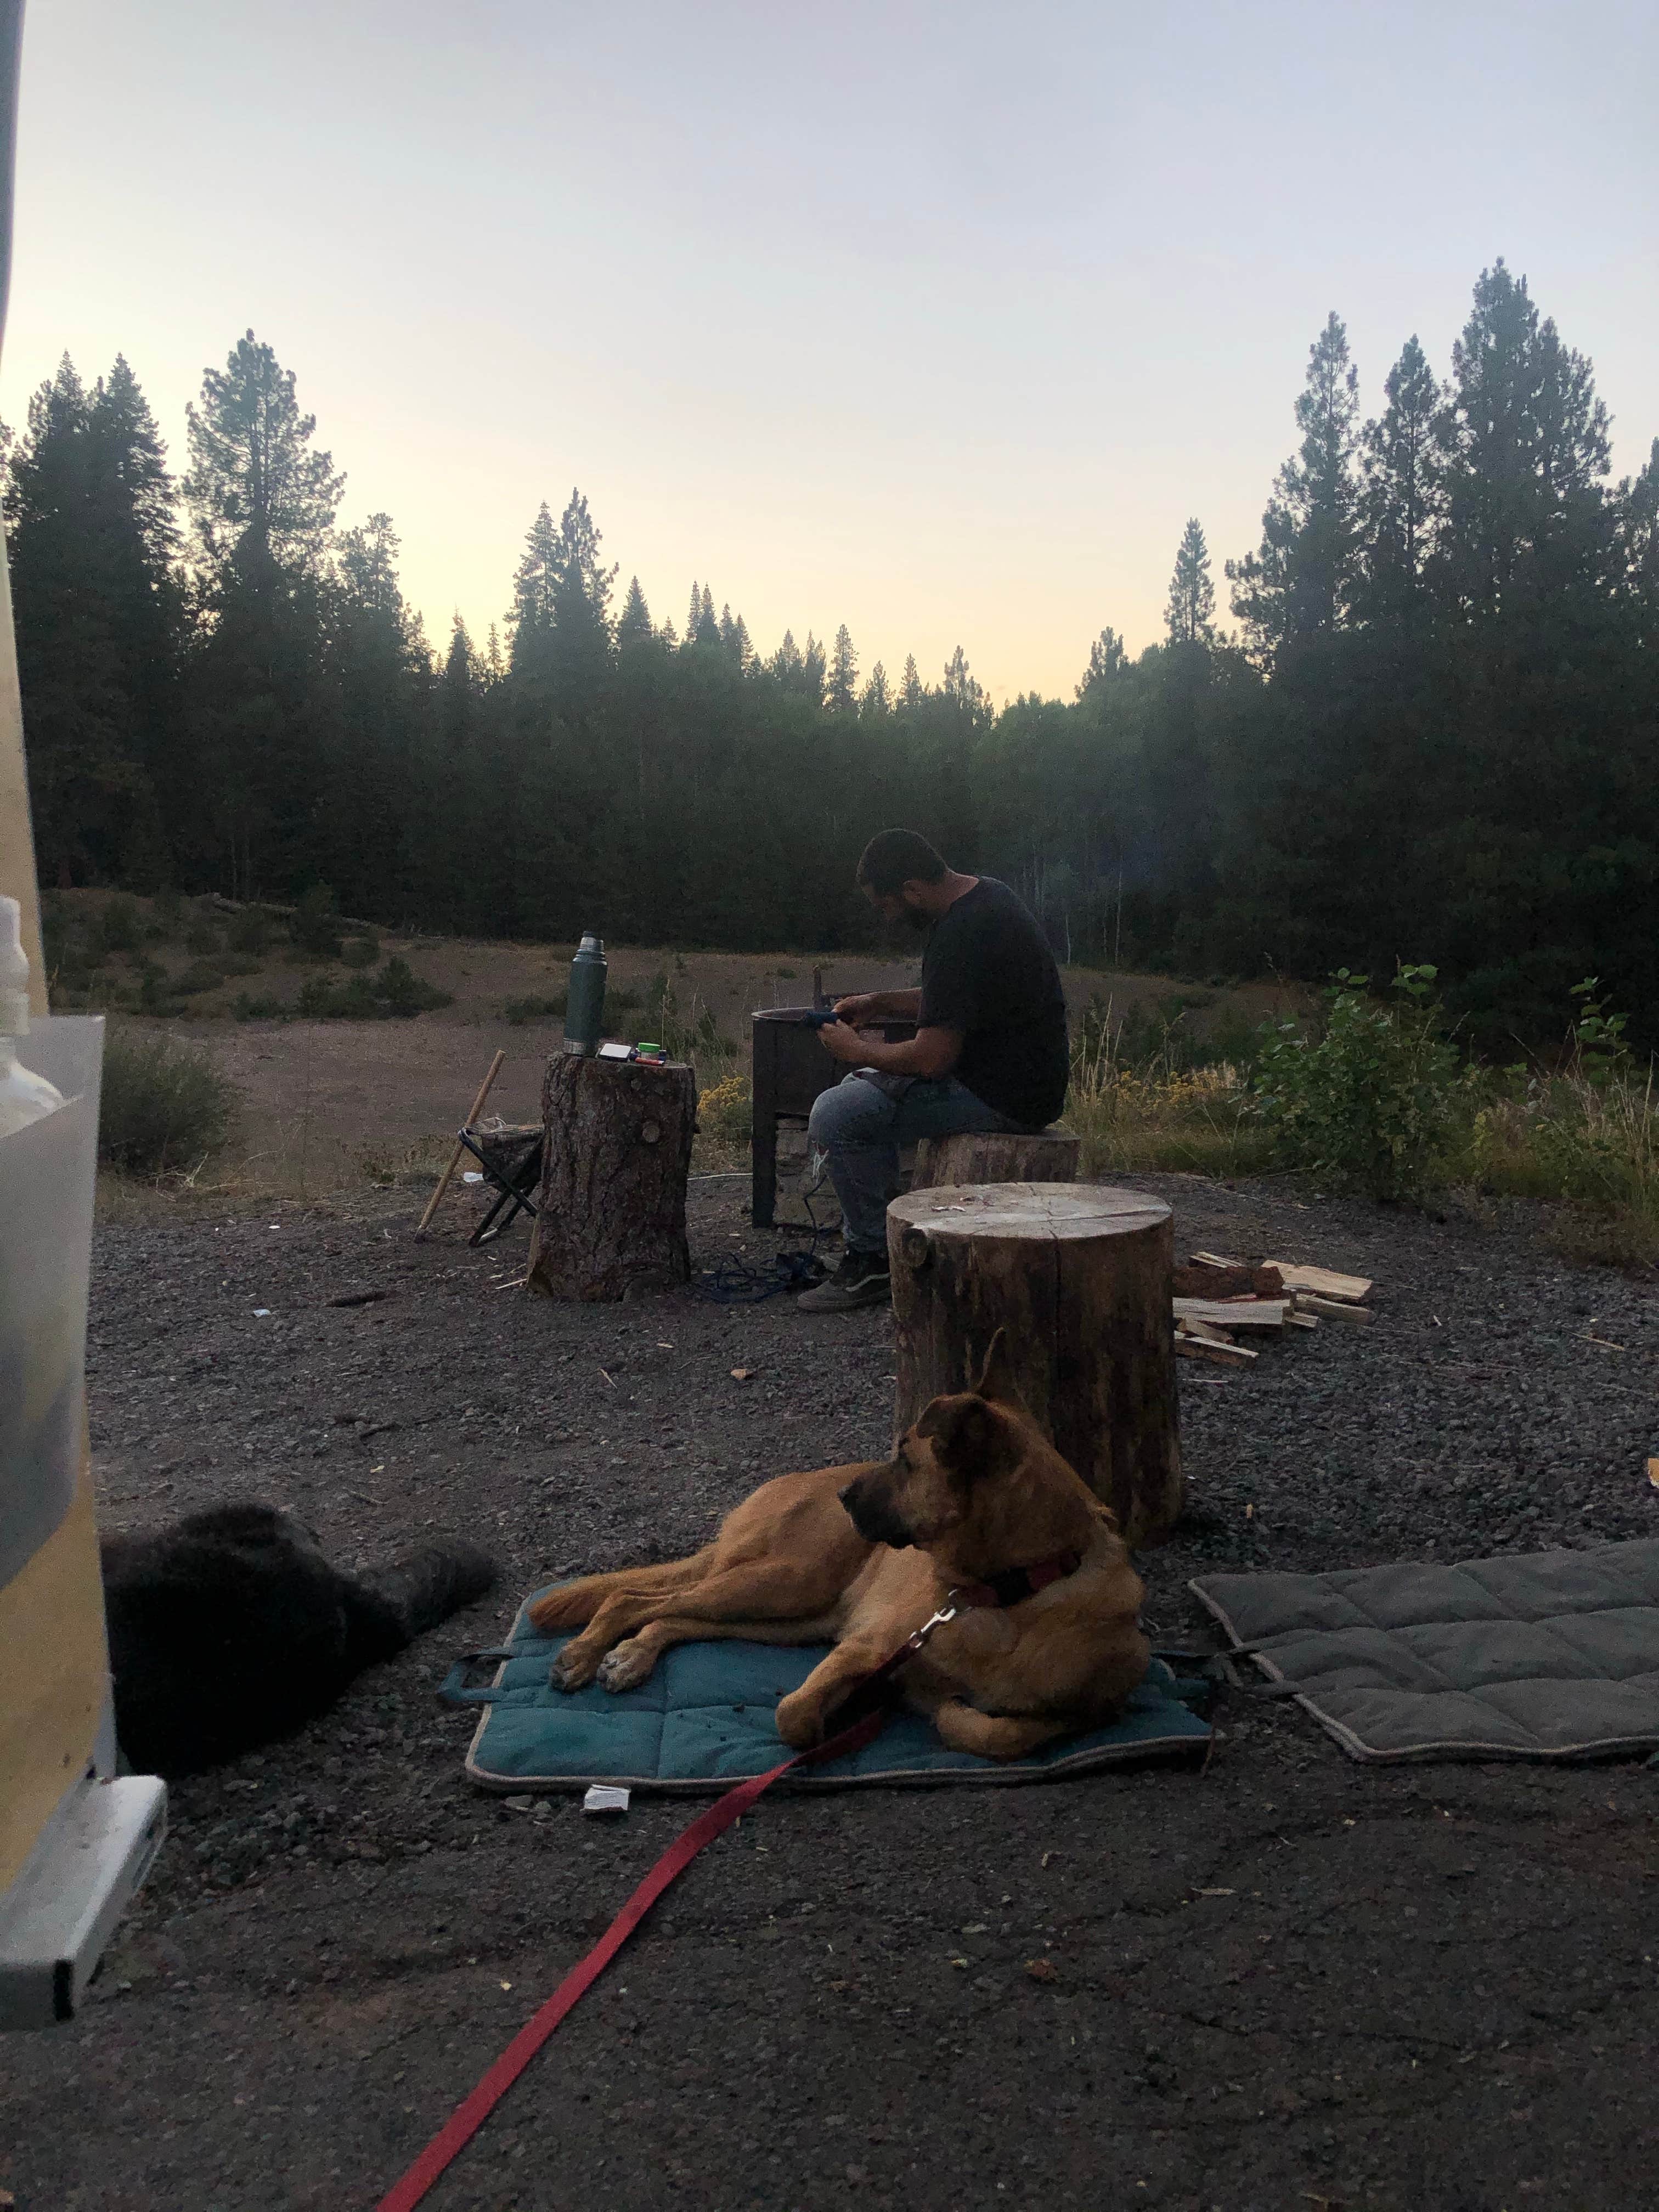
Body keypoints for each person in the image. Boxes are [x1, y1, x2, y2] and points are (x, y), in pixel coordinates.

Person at [795, 829, 1069, 1313]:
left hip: (1003, 1096)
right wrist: (880, 1003)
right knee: (859, 1094)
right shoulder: (988, 898)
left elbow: (930, 1059)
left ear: (912, 889)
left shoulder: (959, 934)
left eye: (887, 906)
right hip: (1024, 1082)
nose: (888, 917)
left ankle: (872, 1260)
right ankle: (881, 1237)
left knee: (837, 1113)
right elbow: (955, 994)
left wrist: (856, 1050)